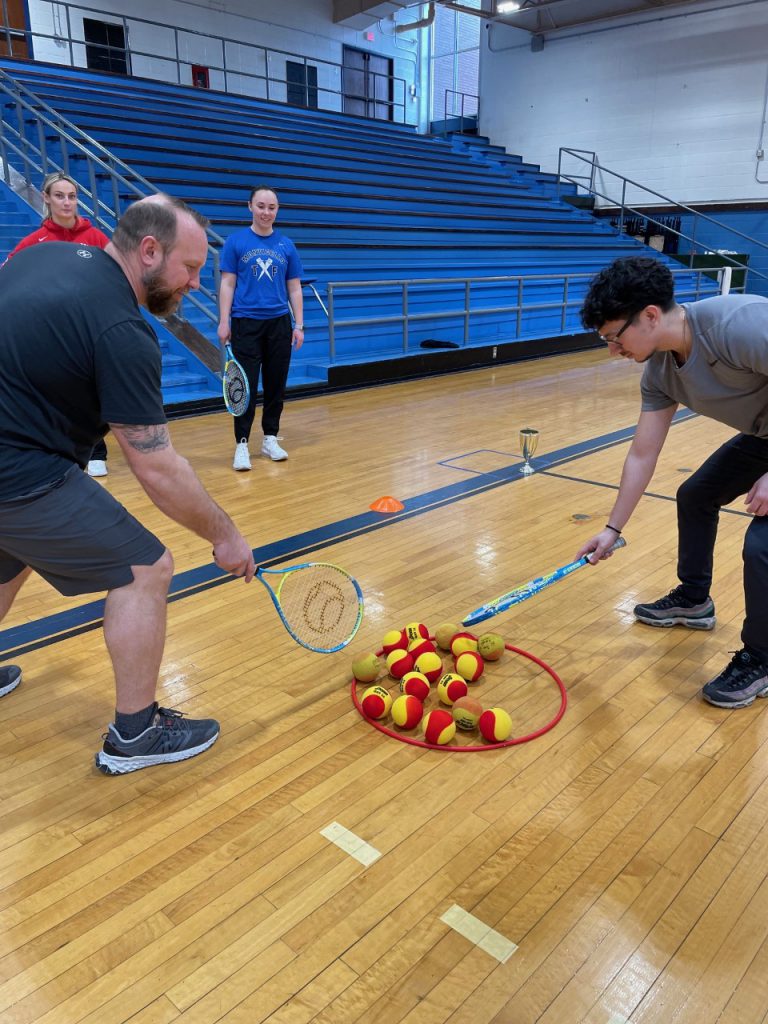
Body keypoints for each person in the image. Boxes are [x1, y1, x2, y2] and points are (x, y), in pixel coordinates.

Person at [0, 193, 255, 774]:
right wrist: (226, 535)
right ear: (148, 250)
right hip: (17, 467)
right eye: (190, 268)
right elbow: (157, 468)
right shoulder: (122, 328)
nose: (194, 283)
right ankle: (135, 734)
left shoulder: (48, 257)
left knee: (10, 554)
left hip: (14, 456)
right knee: (146, 568)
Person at [577, 255, 768, 710]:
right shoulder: (659, 372)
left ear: (648, 316)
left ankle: (762, 658)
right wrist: (612, 530)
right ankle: (694, 599)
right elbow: (643, 453)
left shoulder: (736, 325)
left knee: (762, 546)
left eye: (613, 338)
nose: (612, 351)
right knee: (696, 494)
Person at [5, 172, 112, 479]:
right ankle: (55, 451)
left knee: (92, 390)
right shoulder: (33, 243)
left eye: (72, 196)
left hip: (89, 329)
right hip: (50, 335)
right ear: (46, 199)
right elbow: (10, 278)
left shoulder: (96, 239)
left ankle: (96, 451)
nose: (67, 202)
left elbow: (117, 278)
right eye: (60, 196)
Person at [217, 186, 304, 469]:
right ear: (250, 207)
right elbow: (228, 284)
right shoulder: (236, 242)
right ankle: (241, 443)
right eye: (261, 206)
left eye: (272, 207)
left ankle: (270, 437)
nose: (266, 212)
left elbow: (294, 288)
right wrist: (223, 320)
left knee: (276, 384)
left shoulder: (286, 245)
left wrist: (299, 324)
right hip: (245, 323)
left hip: (279, 323)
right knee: (245, 386)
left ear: (277, 210)